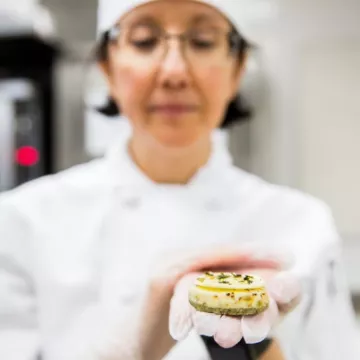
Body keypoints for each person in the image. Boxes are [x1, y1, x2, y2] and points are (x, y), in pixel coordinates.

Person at [0, 0, 359, 359]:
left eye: (202, 41)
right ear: (106, 67)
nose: (174, 72)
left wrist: (254, 347)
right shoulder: (22, 222)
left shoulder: (301, 225)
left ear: (237, 68)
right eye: (144, 41)